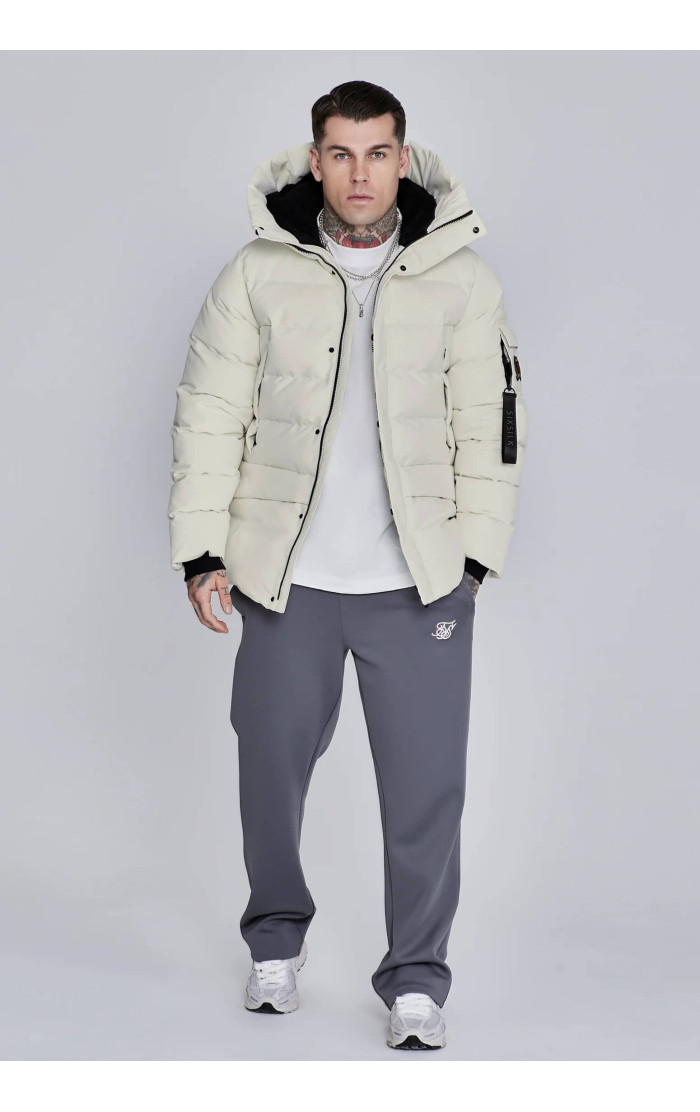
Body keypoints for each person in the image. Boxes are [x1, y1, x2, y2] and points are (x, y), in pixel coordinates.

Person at [168, 79, 528, 1051]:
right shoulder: (255, 273)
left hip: (417, 586)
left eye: (377, 153)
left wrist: (473, 563)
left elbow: (491, 428)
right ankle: (274, 941)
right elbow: (208, 413)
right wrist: (203, 551)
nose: (359, 173)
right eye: (341, 153)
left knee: (426, 792)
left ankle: (416, 979)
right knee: (268, 773)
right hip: (286, 582)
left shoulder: (462, 279)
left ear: (402, 159)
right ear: (315, 159)